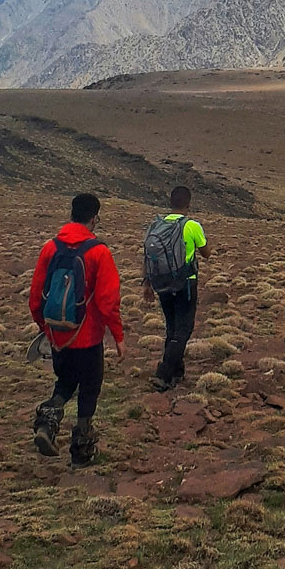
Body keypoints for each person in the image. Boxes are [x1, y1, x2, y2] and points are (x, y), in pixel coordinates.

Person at [28, 193, 125, 465]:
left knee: (66, 381)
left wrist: (46, 328)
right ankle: (81, 449)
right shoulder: (99, 252)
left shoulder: (51, 248)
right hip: (88, 336)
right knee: (89, 387)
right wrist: (118, 336)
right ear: (94, 218)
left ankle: (47, 422)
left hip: (58, 335)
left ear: (71, 214)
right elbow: (107, 301)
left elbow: (36, 296)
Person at [143, 183, 207, 391]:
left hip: (162, 282)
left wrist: (147, 283)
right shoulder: (191, 225)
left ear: (170, 203)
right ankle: (164, 374)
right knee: (183, 329)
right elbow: (206, 253)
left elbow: (147, 256)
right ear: (188, 204)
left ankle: (177, 372)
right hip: (185, 283)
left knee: (171, 326)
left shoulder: (156, 225)